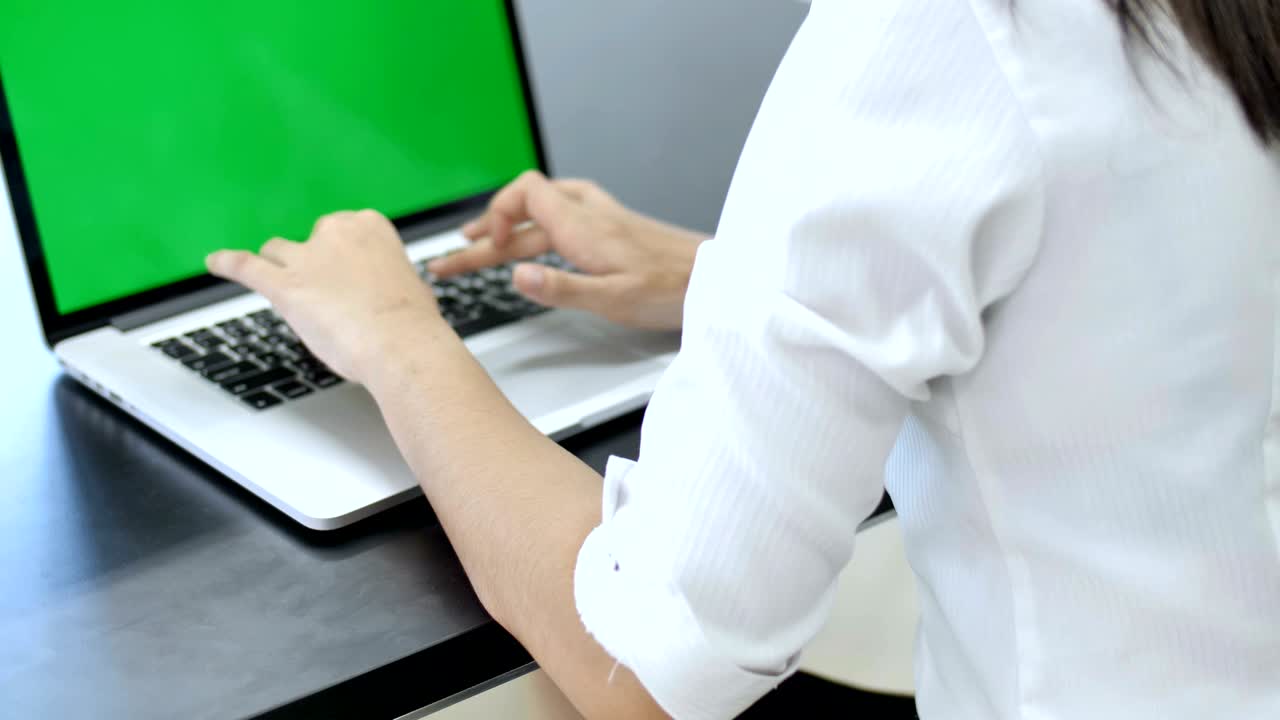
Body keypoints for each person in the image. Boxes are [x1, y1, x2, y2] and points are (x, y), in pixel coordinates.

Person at [205, 1, 1280, 718]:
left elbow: (651, 671)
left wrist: (393, 335)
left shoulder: (943, 29)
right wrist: (725, 278)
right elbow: (1134, 277)